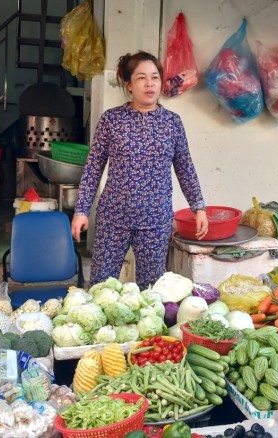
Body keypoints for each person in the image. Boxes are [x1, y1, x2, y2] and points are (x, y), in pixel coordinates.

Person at [71, 51, 208, 290]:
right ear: (129, 84)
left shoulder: (172, 123)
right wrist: (82, 210)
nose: (150, 84)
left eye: (155, 77)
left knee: (151, 291)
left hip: (156, 220)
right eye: (141, 78)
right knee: (102, 286)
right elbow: (93, 168)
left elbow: (185, 168)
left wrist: (199, 207)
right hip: (114, 218)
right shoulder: (111, 120)